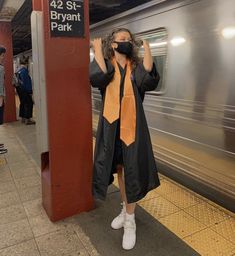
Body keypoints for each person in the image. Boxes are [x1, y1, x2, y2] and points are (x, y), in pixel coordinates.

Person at [90, 28, 160, 250]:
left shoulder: (135, 67)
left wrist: (147, 48)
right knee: (120, 170)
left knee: (132, 171)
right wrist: (96, 50)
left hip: (133, 129)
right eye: (122, 40)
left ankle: (130, 221)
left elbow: (149, 79)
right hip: (111, 129)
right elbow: (97, 77)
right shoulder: (108, 65)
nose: (127, 43)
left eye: (129, 40)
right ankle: (125, 209)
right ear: (112, 44)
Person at [15, 57, 35, 125]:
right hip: (24, 90)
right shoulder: (24, 70)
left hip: (19, 90)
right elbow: (26, 82)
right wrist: (30, 91)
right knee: (30, 103)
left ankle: (23, 118)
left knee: (23, 103)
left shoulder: (18, 70)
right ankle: (28, 119)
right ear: (26, 63)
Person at [0, 45, 8, 154]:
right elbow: (0, 84)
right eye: (2, 55)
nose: (3, 57)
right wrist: (1, 98)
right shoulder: (0, 68)